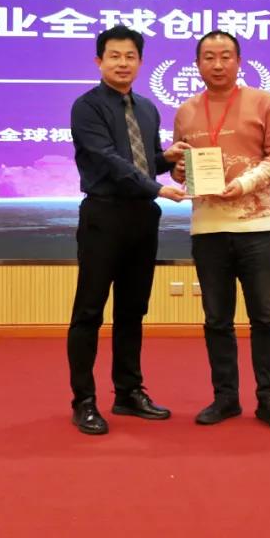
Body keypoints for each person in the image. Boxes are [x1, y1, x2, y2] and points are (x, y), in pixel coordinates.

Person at [67, 25, 189, 436]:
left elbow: (143, 161)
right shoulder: (86, 107)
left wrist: (168, 158)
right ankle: (84, 401)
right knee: (89, 312)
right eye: (114, 56)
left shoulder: (148, 109)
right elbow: (108, 160)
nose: (123, 63)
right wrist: (157, 186)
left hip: (142, 218)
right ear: (99, 61)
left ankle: (128, 391)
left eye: (130, 56)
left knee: (133, 310)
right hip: (103, 217)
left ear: (140, 61)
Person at [172, 30, 270, 431]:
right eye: (209, 57)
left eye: (225, 56)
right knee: (216, 320)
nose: (218, 64)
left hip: (257, 227)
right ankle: (225, 398)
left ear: (239, 62)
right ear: (197, 64)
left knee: (265, 317)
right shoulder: (185, 111)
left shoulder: (263, 101)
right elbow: (179, 166)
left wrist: (243, 184)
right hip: (207, 230)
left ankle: (269, 399)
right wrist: (179, 170)